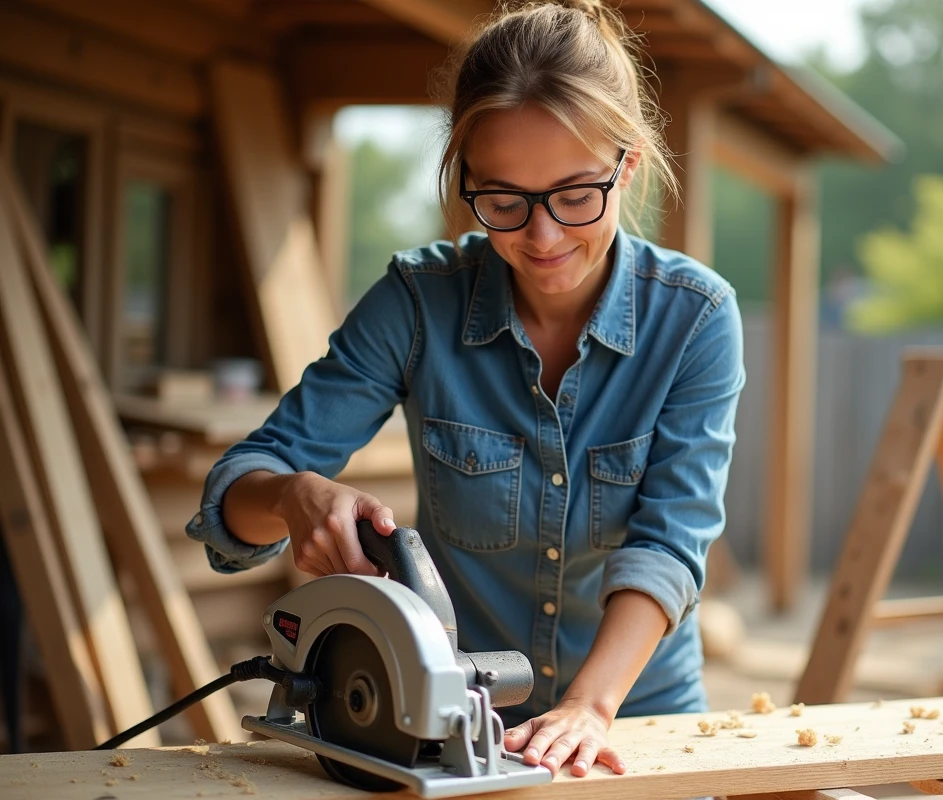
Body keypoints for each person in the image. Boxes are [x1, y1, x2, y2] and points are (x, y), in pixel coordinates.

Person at [187, 0, 745, 780]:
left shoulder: (697, 318)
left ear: (631, 167)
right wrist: (290, 496)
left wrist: (589, 707)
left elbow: (669, 545)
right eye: (505, 201)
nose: (542, 237)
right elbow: (235, 493)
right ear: (467, 180)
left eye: (575, 195)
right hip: (450, 721)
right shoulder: (416, 304)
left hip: (635, 716)